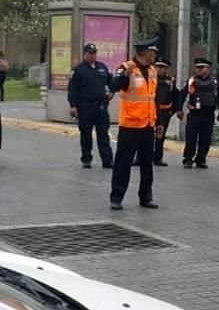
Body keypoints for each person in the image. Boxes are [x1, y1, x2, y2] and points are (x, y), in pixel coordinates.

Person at [109, 39, 159, 210]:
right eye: (153, 53)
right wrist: (123, 75)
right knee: (123, 162)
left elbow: (152, 98)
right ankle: (116, 197)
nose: (155, 56)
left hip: (147, 124)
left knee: (147, 163)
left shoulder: (152, 71)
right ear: (145, 53)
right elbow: (114, 86)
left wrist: (156, 121)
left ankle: (146, 197)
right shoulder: (126, 68)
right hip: (130, 125)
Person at [68, 43, 114, 169]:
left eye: (94, 53)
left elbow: (111, 82)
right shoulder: (78, 70)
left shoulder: (102, 67)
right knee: (86, 134)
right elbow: (72, 89)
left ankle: (107, 160)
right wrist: (73, 106)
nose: (93, 55)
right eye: (90, 53)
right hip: (85, 107)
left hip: (101, 107)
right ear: (85, 54)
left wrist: (112, 92)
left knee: (103, 134)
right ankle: (86, 158)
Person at [179, 57, 219, 169]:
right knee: (191, 138)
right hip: (194, 114)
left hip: (208, 115)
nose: (198, 70)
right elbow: (183, 94)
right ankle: (188, 159)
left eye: (201, 67)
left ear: (207, 69)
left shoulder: (214, 82)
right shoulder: (191, 81)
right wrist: (179, 109)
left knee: (205, 139)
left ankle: (201, 159)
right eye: (197, 68)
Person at [153, 58, 180, 167]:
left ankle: (158, 158)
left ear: (166, 69)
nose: (159, 69)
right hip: (151, 111)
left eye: (162, 67)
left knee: (160, 136)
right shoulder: (151, 79)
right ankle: (140, 157)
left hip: (164, 113)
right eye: (157, 67)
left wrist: (172, 111)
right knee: (145, 136)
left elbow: (176, 96)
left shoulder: (170, 81)